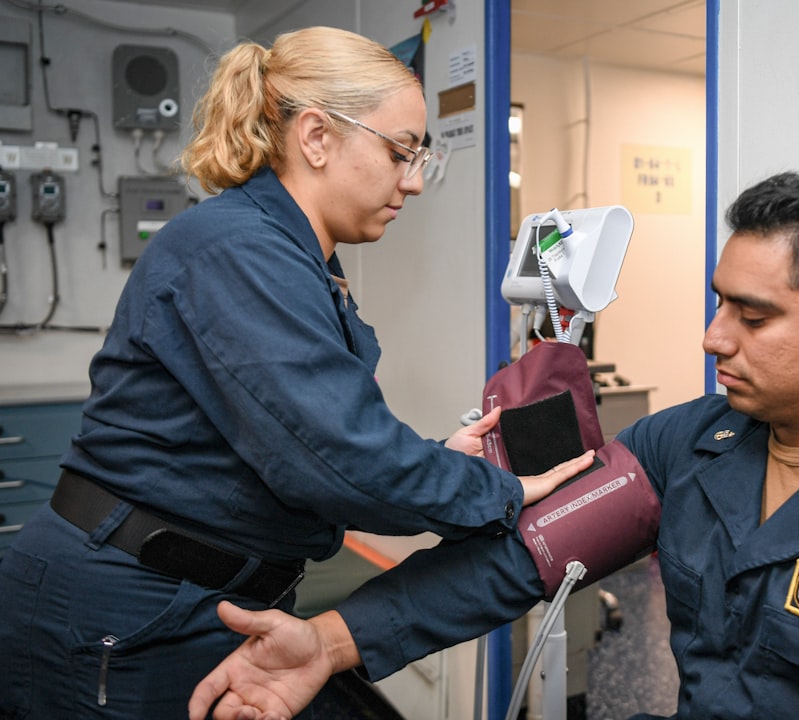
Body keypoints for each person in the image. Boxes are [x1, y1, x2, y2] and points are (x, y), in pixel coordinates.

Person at [188, 172, 799, 719]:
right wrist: (331, 641)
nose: (712, 337)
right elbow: (524, 559)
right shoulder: (689, 443)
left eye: (752, 316)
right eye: (719, 302)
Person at [0, 26, 594, 719]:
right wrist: (502, 492)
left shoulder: (296, 258)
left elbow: (309, 438)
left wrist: (438, 462)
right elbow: (341, 456)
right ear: (315, 137)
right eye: (399, 152)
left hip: (212, 597)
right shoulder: (236, 250)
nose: (411, 181)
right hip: (124, 610)